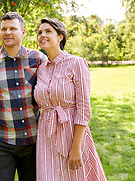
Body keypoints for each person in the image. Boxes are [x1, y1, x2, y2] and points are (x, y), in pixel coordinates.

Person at [0, 12, 46, 181]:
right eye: (3, 29)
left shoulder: (38, 59)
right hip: (2, 142)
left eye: (13, 28)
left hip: (33, 141)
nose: (7, 32)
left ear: (23, 32)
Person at [34, 18, 106, 180]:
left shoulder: (76, 63)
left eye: (48, 31)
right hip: (46, 135)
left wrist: (76, 147)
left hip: (71, 134)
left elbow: (84, 109)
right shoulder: (41, 68)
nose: (42, 35)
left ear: (60, 36)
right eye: (39, 32)